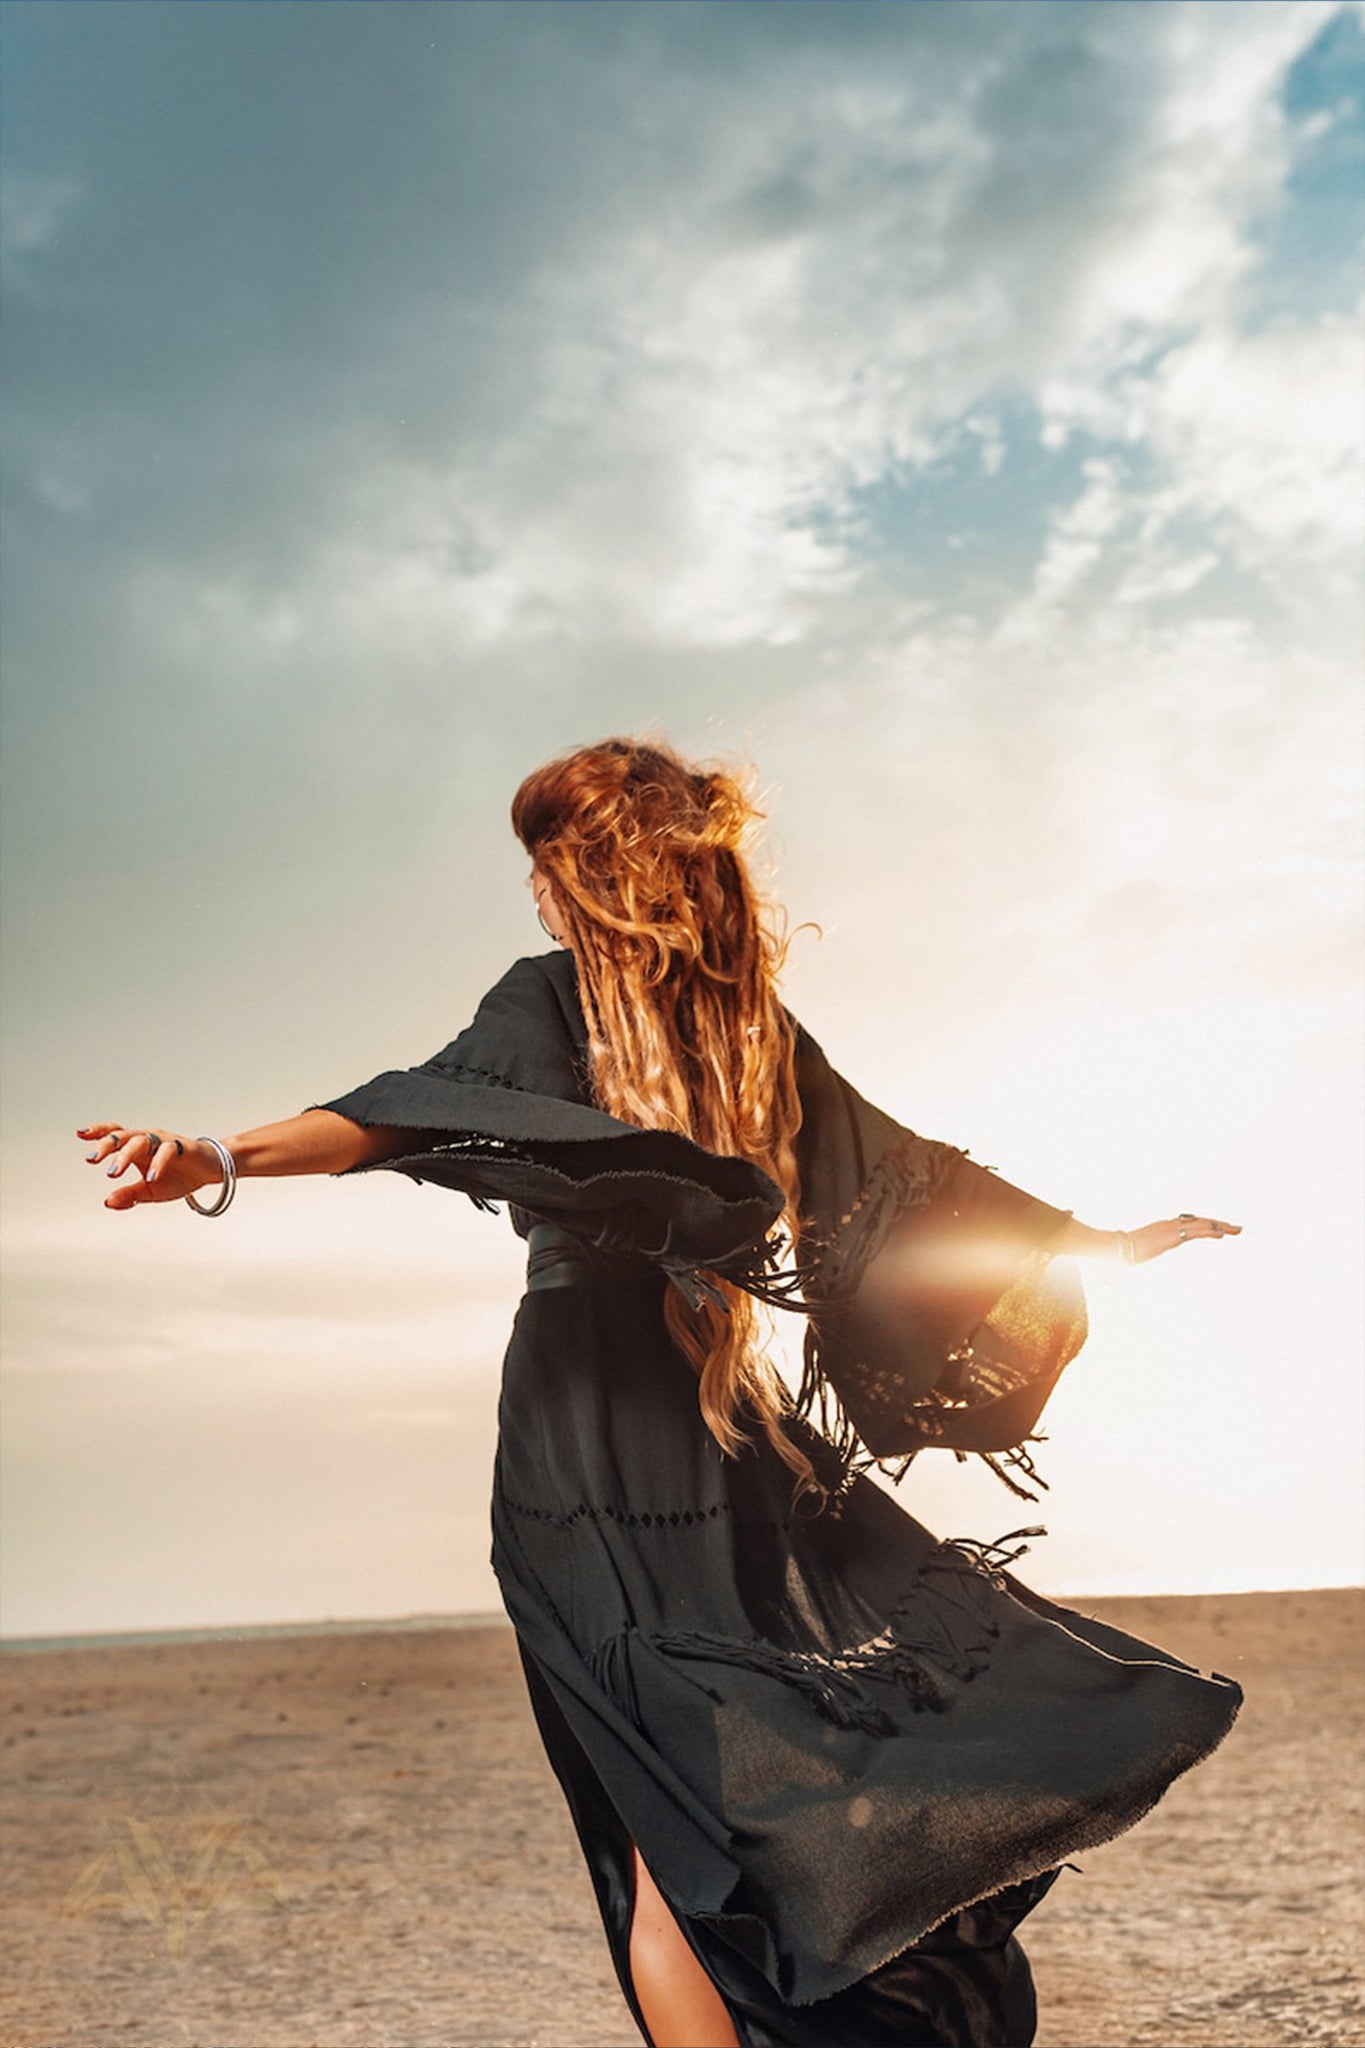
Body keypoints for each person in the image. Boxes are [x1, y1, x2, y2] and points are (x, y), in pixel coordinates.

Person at [79, 737, 1242, 2048]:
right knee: (739, 1788)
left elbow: (416, 1113)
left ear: (587, 869)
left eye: (545, 864)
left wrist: (217, 1156)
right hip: (724, 1432)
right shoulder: (736, 1028)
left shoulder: (583, 1002)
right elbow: (912, 1193)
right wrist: (1099, 1245)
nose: (538, 894)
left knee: (655, 1833)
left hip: (594, 1434)